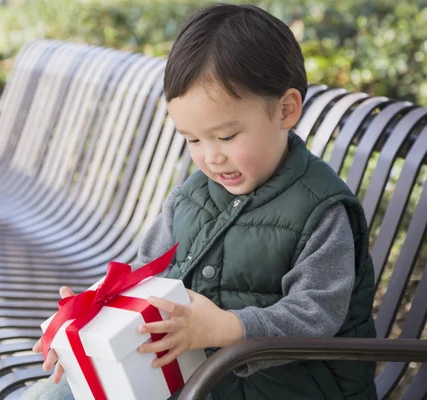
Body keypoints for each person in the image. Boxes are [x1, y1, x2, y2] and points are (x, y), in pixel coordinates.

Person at [23, 3, 377, 399]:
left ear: (286, 110)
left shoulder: (322, 211)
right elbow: (146, 278)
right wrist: (91, 320)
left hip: (288, 389)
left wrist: (227, 328)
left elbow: (316, 314)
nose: (210, 156)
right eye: (192, 139)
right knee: (56, 392)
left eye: (225, 136)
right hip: (199, 376)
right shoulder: (191, 197)